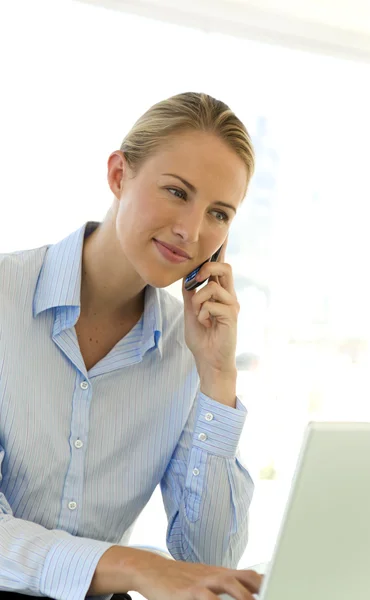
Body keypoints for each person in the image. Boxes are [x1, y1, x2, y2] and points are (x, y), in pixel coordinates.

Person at [0, 92, 262, 600]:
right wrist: (132, 567)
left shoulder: (190, 349)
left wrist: (217, 379)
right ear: (120, 175)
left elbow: (207, 562)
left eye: (220, 214)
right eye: (177, 192)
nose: (192, 231)